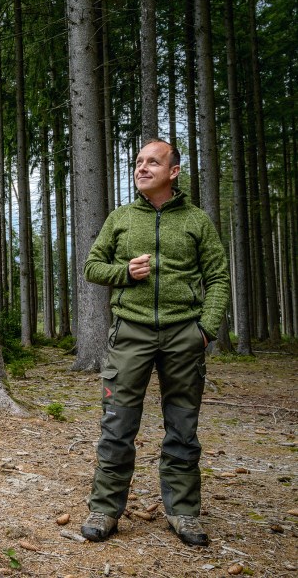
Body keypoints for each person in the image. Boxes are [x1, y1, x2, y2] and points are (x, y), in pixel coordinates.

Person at [79, 138, 230, 547]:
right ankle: (105, 509)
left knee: (182, 429)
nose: (142, 168)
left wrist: (205, 329)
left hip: (184, 336)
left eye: (152, 162)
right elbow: (93, 266)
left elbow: (217, 277)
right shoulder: (121, 218)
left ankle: (183, 512)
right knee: (117, 426)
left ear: (173, 171)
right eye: (138, 162)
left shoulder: (196, 221)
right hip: (130, 333)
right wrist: (125, 273)